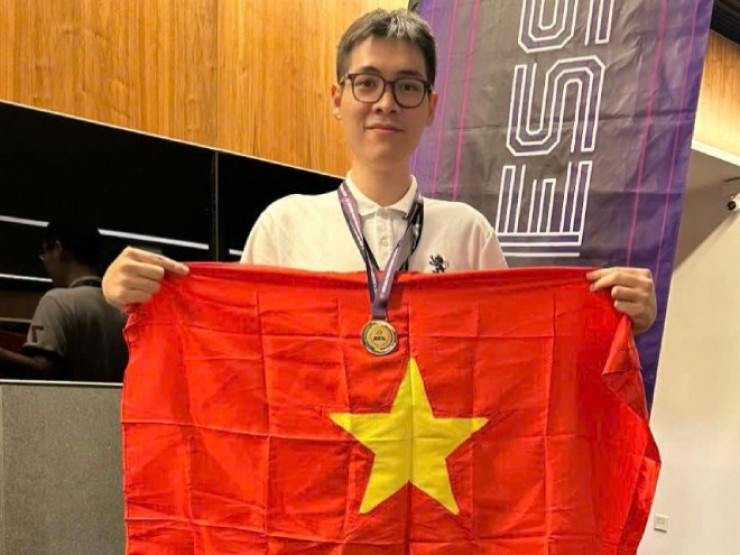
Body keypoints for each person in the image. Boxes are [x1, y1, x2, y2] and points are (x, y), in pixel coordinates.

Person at [101, 9, 657, 334]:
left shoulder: (467, 232)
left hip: (435, 480)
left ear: (431, 107)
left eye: (407, 86)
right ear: (337, 98)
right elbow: (232, 348)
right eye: (367, 83)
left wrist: (607, 320)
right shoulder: (284, 225)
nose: (386, 103)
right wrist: (141, 299)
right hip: (315, 476)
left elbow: (517, 354)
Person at [0, 221, 128, 382]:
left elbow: (42, 371)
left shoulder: (57, 301)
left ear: (58, 248)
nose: (45, 261)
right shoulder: (125, 309)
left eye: (44, 252)